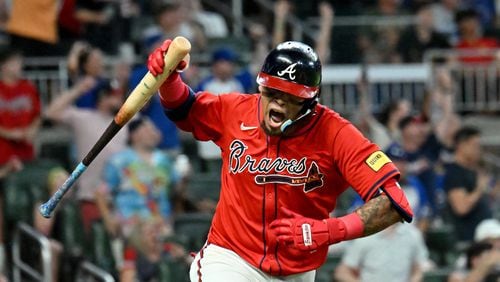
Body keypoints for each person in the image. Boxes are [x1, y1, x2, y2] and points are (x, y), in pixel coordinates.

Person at [147, 39, 414, 281]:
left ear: (310, 103)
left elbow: (395, 202)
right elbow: (184, 109)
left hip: (297, 271)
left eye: (290, 98)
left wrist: (331, 229)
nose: (277, 104)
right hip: (232, 259)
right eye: (271, 93)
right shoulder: (236, 110)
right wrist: (169, 80)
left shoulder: (337, 134)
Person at [95, 116, 184, 279]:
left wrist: (185, 178)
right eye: (148, 128)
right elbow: (101, 192)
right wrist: (109, 221)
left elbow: (176, 191)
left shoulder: (164, 160)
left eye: (154, 129)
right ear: (134, 135)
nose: (154, 132)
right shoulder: (119, 161)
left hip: (161, 223)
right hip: (131, 223)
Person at [45, 78, 127, 234]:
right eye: (113, 95)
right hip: (90, 198)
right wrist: (78, 89)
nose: (119, 99)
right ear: (102, 97)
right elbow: (51, 112)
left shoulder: (127, 121)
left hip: (121, 199)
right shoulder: (84, 117)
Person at [443, 127, 494, 243]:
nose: (478, 150)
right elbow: (461, 208)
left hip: (484, 237)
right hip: (467, 239)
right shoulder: (454, 173)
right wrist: (480, 188)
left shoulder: (474, 171)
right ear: (461, 145)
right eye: (475, 146)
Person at [334, 223, 429, 282]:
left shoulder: (413, 235)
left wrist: (415, 279)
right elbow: (341, 272)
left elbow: (418, 269)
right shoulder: (365, 236)